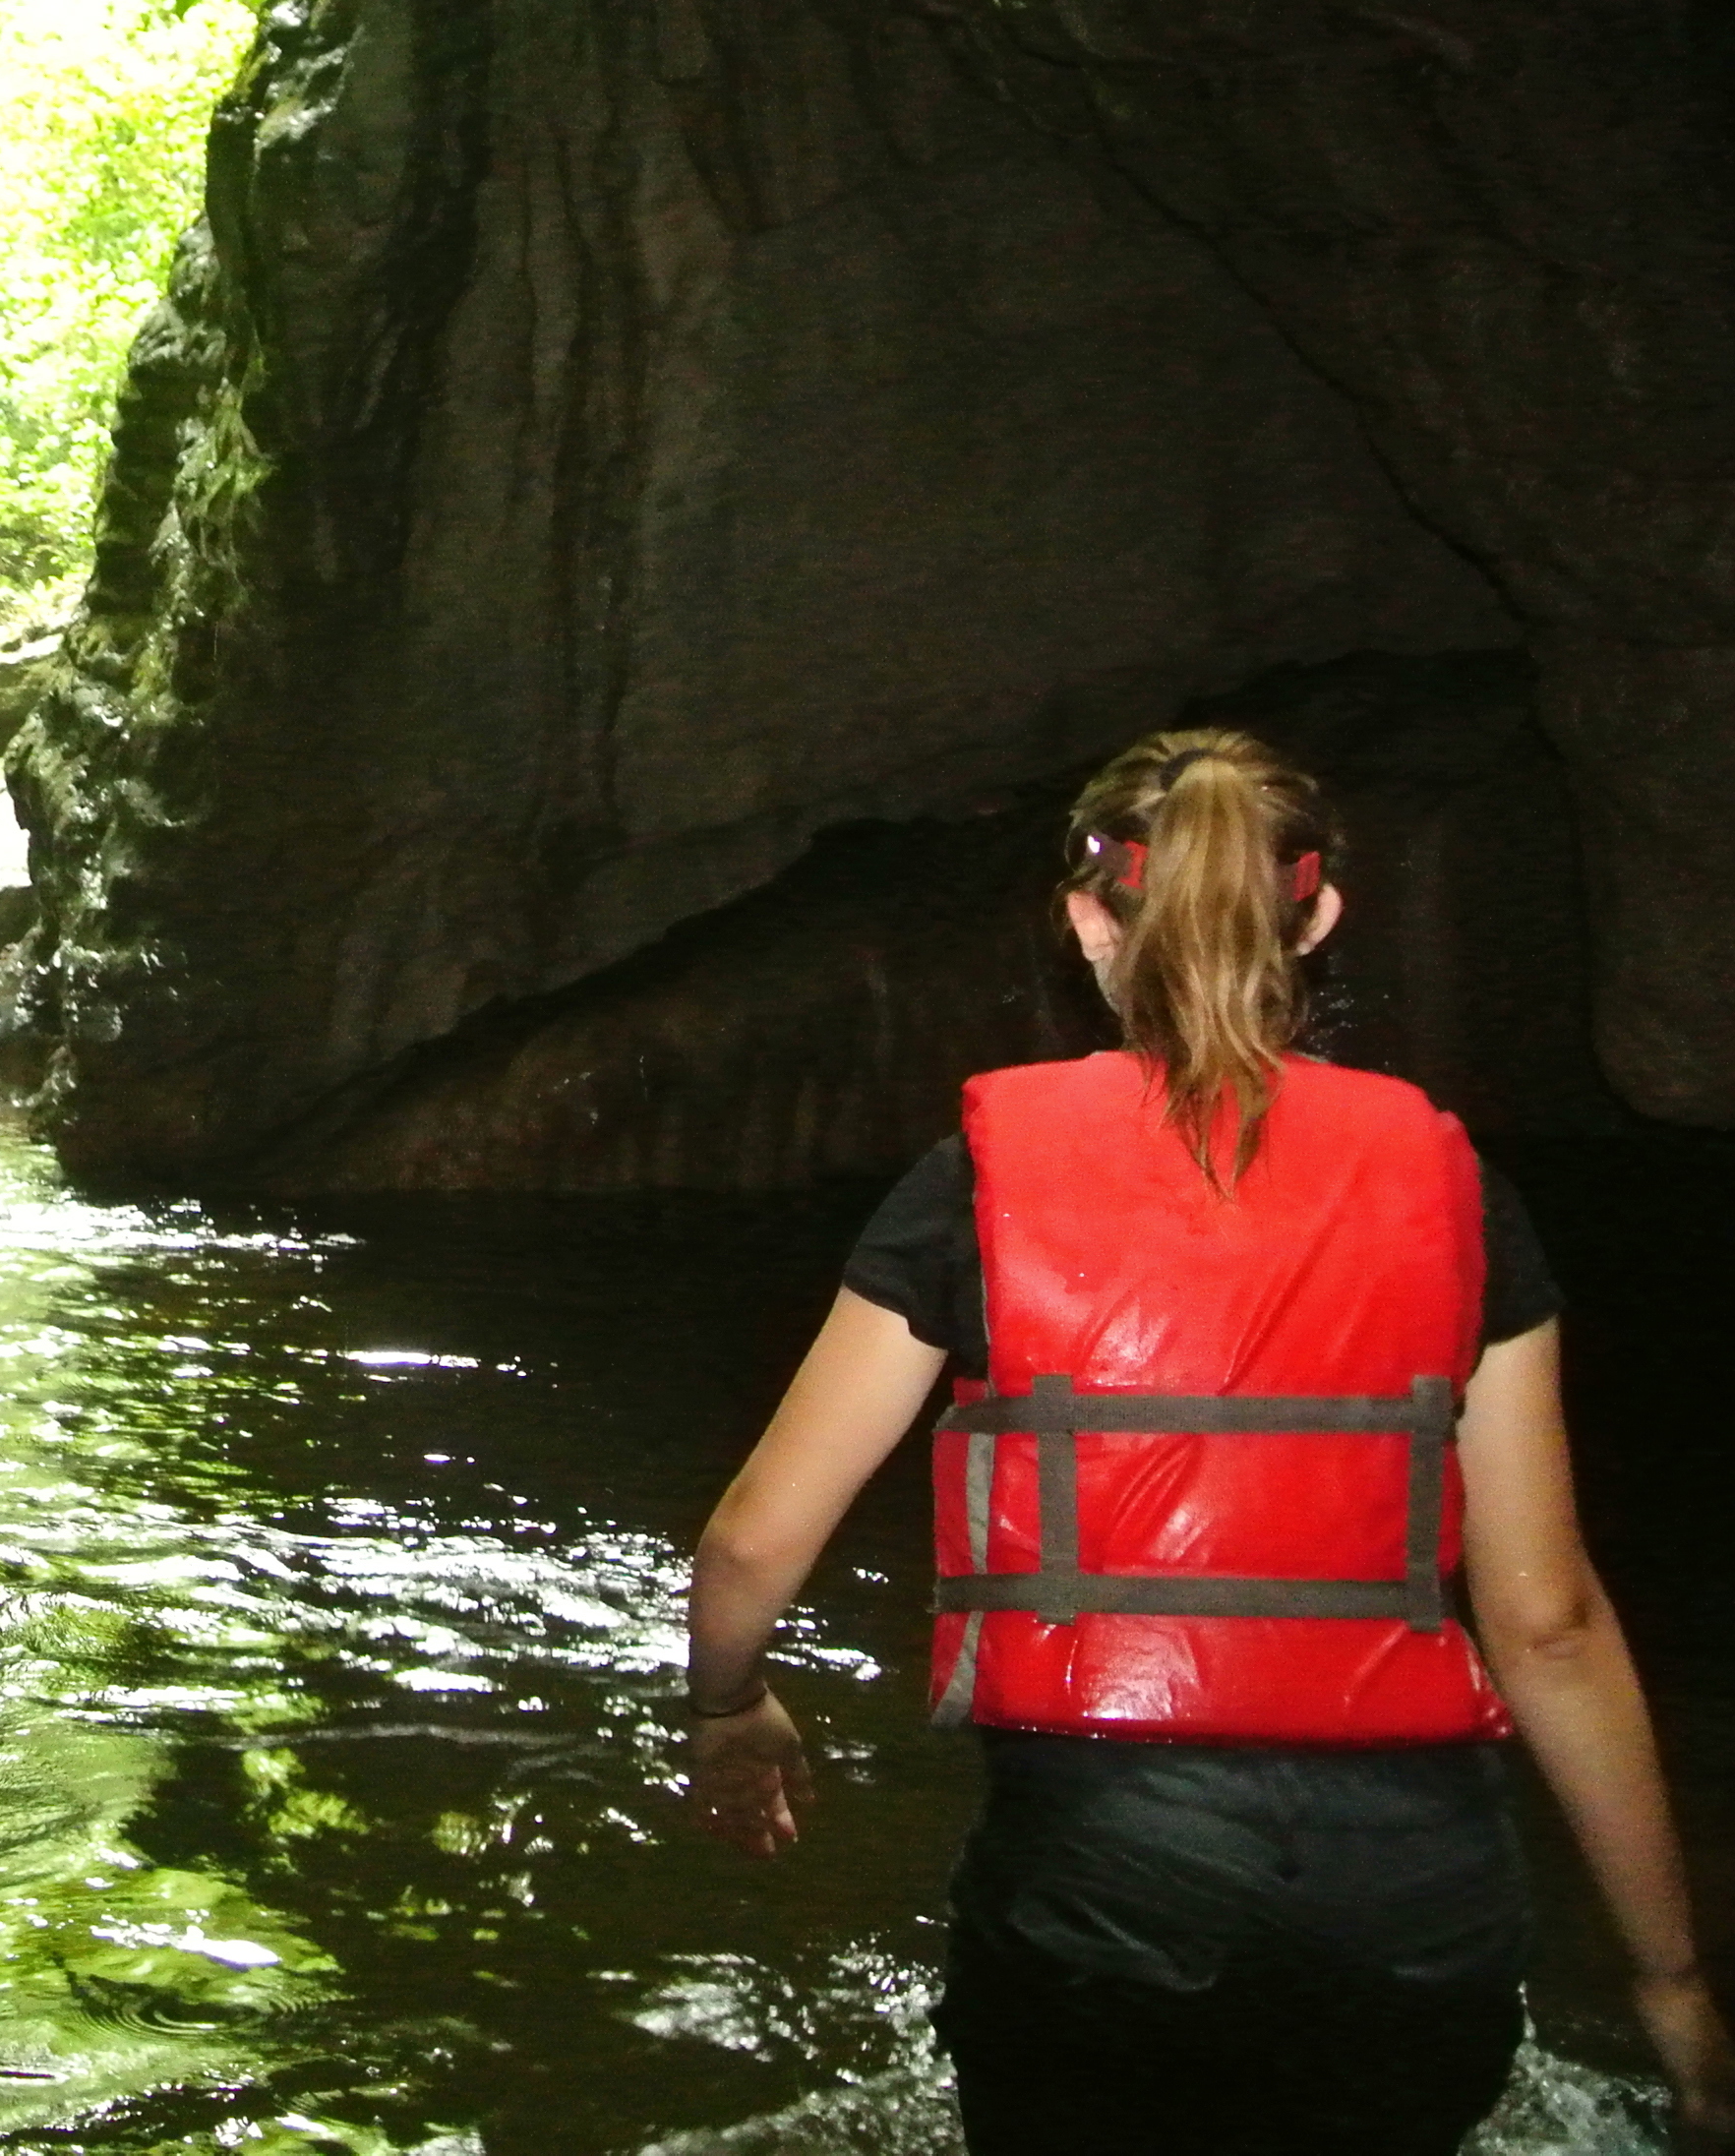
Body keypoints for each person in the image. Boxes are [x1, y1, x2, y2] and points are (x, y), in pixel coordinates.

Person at [679, 729, 1735, 2154]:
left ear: (1087, 923)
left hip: (1105, 1889)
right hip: (1417, 1908)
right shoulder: (1456, 1186)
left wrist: (730, 1707)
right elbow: (1547, 1623)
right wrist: (1668, 1975)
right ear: (1322, 914)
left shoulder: (971, 1186)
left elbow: (753, 1541)